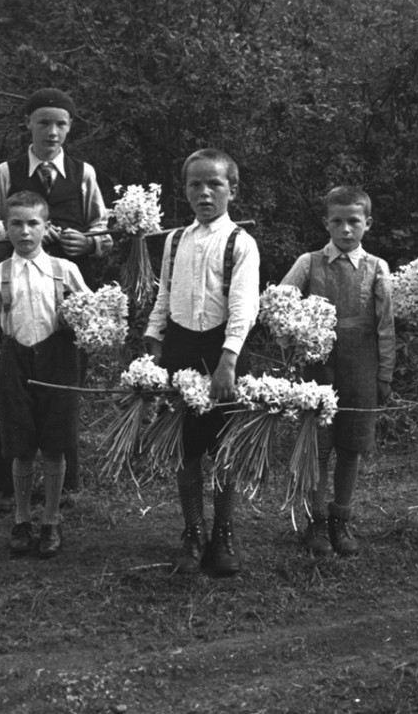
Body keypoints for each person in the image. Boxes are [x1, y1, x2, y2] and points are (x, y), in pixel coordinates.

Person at [0, 88, 111, 508]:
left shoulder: (82, 172)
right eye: (44, 122)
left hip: (66, 303)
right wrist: (16, 231)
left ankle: (62, 487)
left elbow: (103, 228)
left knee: (62, 397)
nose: (52, 132)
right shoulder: (7, 171)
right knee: (17, 396)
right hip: (17, 295)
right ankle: (6, 487)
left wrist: (86, 244)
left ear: (70, 127)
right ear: (28, 124)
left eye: (61, 124)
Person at [145, 149, 261, 577]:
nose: (205, 192)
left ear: (232, 189)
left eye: (214, 184)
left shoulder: (241, 243)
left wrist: (228, 360)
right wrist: (154, 340)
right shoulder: (176, 239)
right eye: (196, 184)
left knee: (225, 448)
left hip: (223, 350)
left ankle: (224, 532)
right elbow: (164, 293)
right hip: (180, 348)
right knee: (186, 447)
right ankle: (193, 531)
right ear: (185, 190)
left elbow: (245, 306)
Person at [279, 186, 395, 556]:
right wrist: (297, 340)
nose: (345, 230)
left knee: (352, 446)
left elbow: (386, 325)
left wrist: (385, 375)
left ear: (368, 223)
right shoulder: (309, 262)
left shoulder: (378, 268)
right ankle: (315, 521)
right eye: (337, 222)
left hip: (362, 367)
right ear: (326, 223)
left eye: (354, 222)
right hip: (318, 367)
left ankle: (341, 521)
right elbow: (279, 304)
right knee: (319, 447)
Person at [0, 190, 90, 560]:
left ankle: (52, 520)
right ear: (5, 227)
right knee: (20, 446)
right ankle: (22, 519)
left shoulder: (65, 270)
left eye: (33, 224)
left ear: (46, 227)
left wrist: (85, 337)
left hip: (57, 362)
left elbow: (90, 314)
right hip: (16, 365)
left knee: (55, 444)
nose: (25, 232)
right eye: (16, 224)